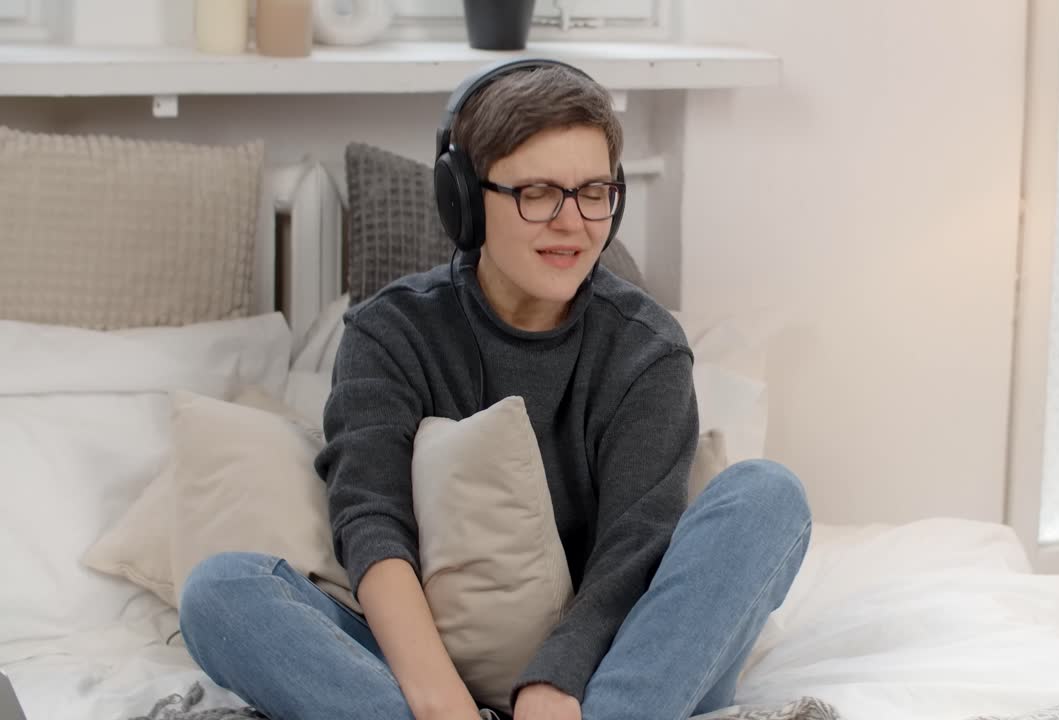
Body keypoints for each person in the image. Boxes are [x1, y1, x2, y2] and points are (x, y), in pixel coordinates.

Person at [178, 58, 812, 720]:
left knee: (768, 495)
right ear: (465, 201)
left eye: (594, 191)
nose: (572, 222)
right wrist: (442, 702)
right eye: (538, 192)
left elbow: (635, 553)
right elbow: (372, 527)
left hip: (620, 669)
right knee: (221, 590)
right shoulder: (388, 333)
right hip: (423, 676)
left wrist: (554, 684)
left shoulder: (647, 348)